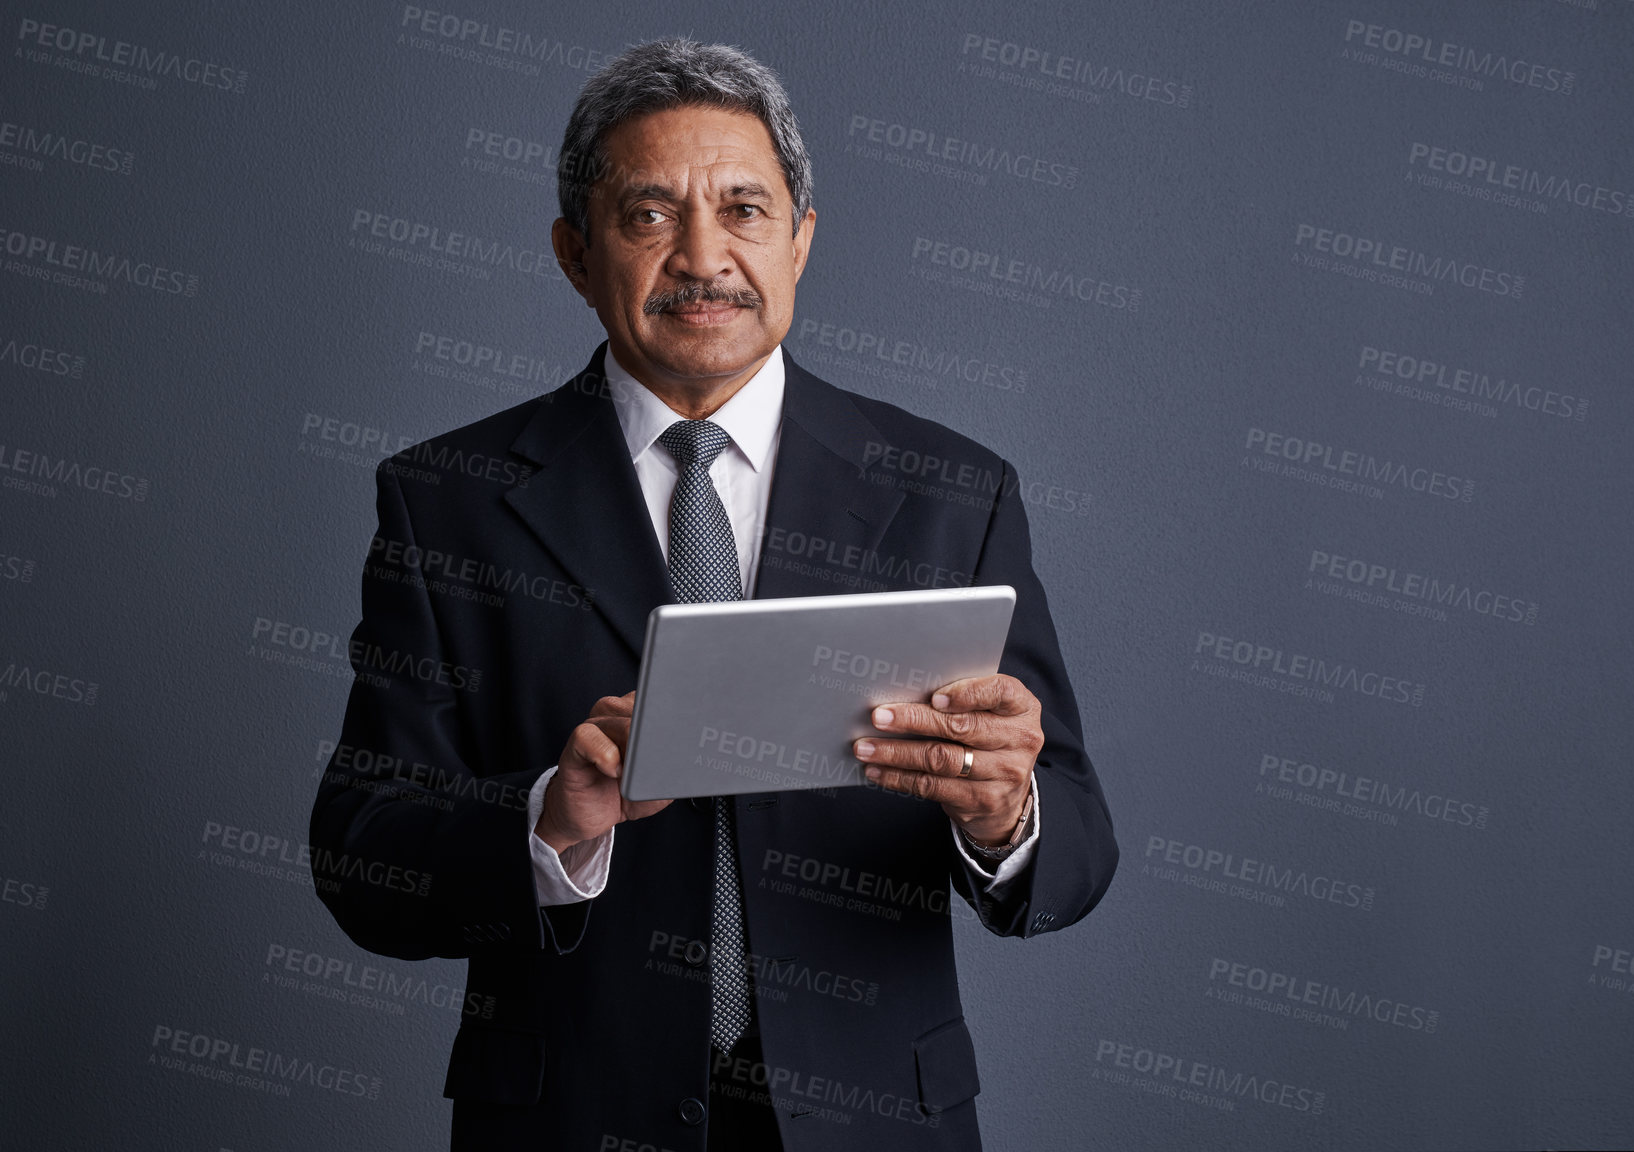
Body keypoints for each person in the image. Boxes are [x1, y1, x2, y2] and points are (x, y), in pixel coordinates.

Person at [310, 37, 1117, 1152]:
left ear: (802, 240)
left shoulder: (951, 493)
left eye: (744, 209)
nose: (704, 256)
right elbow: (362, 856)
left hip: (879, 1118)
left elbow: (1077, 843)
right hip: (569, 1120)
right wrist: (549, 822)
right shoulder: (448, 502)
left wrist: (1006, 815)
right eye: (648, 216)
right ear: (574, 255)